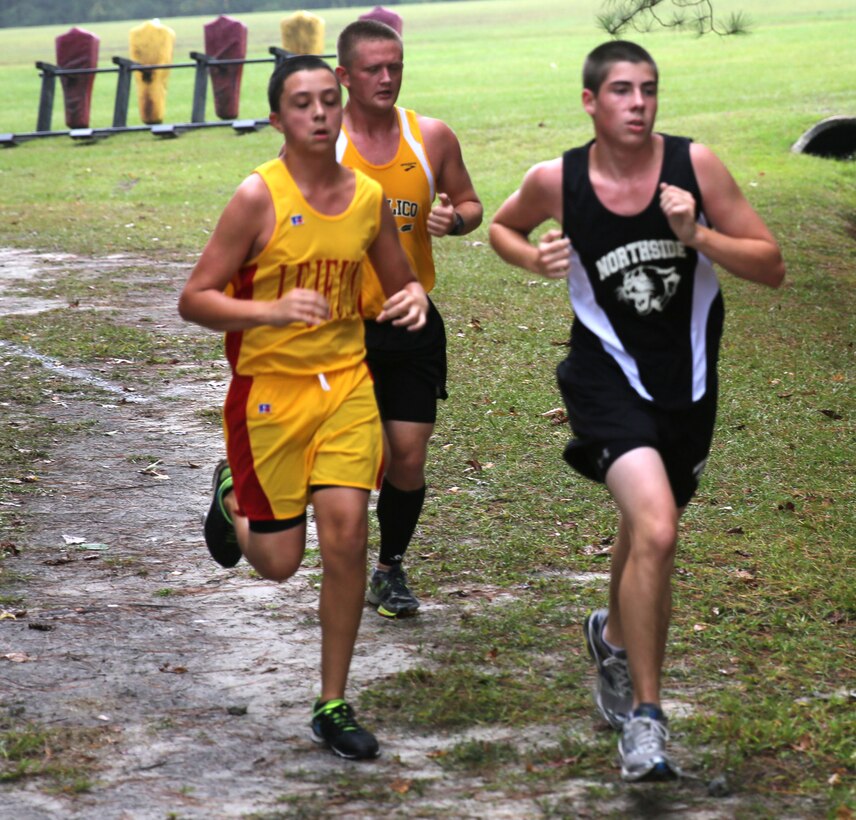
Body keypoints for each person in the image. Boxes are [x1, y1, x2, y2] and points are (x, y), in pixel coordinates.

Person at [489, 40, 785, 781]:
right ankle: (647, 723)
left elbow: (771, 265)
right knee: (657, 525)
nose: (638, 103)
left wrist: (699, 235)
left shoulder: (697, 168)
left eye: (648, 89)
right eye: (621, 90)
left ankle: (612, 639)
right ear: (590, 102)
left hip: (686, 385)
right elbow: (502, 225)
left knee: (641, 525)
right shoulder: (558, 178)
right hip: (603, 377)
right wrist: (533, 260)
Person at [178, 55, 428, 760]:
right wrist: (270, 309)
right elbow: (195, 298)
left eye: (328, 100)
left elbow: (401, 283)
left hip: (347, 385)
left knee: (348, 535)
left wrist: (413, 300)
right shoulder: (257, 197)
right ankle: (232, 499)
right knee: (283, 563)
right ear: (277, 118)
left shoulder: (369, 196)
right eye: (302, 104)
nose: (319, 114)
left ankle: (333, 701)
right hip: (269, 398)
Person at [335, 20, 483, 618]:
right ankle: (242, 485)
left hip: (413, 321)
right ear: (344, 76)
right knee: (333, 459)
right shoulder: (322, 144)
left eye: (395, 65)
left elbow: (470, 204)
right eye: (373, 68)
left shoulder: (431, 137)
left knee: (408, 456)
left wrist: (458, 220)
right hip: (340, 327)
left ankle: (388, 569)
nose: (387, 78)